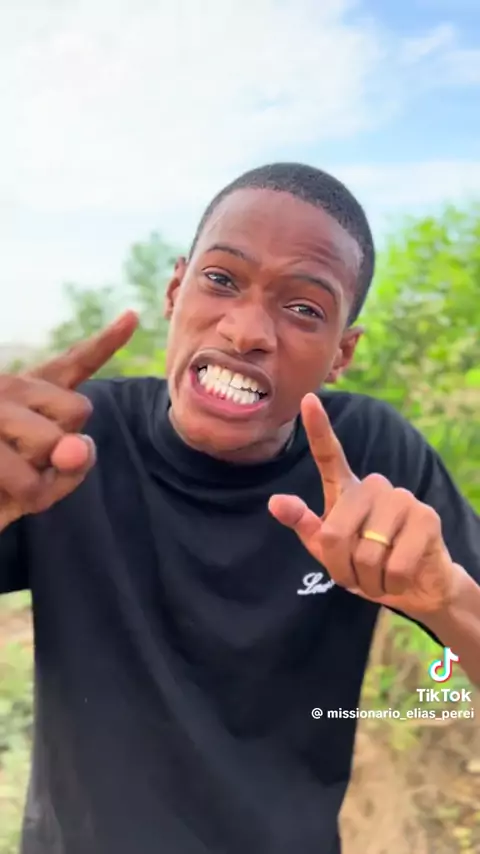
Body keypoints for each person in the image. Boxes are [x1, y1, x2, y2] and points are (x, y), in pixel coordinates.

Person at [0, 162, 479, 854]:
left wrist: (446, 600)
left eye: (304, 308)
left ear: (342, 353)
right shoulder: (69, 442)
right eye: (221, 279)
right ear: (175, 290)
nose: (247, 330)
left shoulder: (375, 455)